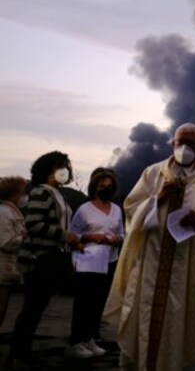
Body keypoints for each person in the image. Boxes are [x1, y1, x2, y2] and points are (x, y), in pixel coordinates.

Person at [103, 123, 195, 370]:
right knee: (146, 319)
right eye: (180, 141)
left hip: (189, 269)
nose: (184, 147)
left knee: (184, 322)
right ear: (172, 143)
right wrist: (158, 199)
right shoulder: (153, 174)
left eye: (191, 143)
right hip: (152, 266)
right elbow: (131, 210)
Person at [8, 151, 83, 367]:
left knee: (37, 306)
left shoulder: (59, 194)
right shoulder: (42, 192)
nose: (63, 170)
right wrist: (64, 235)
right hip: (40, 259)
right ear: (47, 171)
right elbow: (34, 223)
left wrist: (71, 241)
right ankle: (18, 352)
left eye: (65, 166)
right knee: (32, 307)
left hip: (53, 257)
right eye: (58, 167)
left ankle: (22, 350)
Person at [65, 168, 125, 360]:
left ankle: (90, 338)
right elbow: (73, 235)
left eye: (109, 186)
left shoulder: (116, 209)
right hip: (88, 260)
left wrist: (117, 239)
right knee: (84, 302)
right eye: (102, 186)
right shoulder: (85, 210)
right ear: (94, 187)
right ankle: (75, 342)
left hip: (109, 260)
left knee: (99, 302)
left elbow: (123, 233)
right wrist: (92, 236)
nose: (106, 188)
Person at [0, 176, 27, 326]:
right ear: (14, 193)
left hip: (6, 272)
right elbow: (6, 242)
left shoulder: (12, 212)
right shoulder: (4, 213)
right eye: (22, 192)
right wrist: (24, 237)